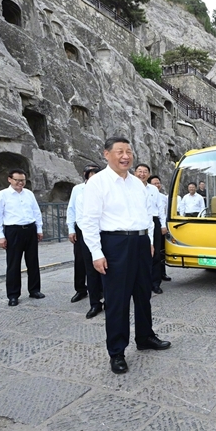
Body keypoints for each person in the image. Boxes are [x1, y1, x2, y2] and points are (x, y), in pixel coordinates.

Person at [80, 137, 171, 375]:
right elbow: (89, 220)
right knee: (117, 300)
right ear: (106, 154)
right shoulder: (98, 182)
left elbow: (147, 214)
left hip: (140, 242)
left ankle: (145, 336)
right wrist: (96, 253)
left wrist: (149, 241)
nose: (125, 156)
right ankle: (117, 352)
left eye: (129, 151)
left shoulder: (137, 184)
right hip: (115, 244)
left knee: (143, 294)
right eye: (120, 151)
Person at [0, 168, 44, 306]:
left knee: (33, 261)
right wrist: (0, 236)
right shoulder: (2, 195)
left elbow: (36, 212)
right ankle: (13, 295)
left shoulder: (29, 194)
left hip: (30, 229)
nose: (20, 183)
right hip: (13, 230)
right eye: (17, 180)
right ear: (10, 179)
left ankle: (34, 290)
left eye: (23, 180)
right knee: (13, 264)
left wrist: (39, 229)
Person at [66, 164, 104, 319]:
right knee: (89, 267)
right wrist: (73, 229)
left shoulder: (106, 191)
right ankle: (94, 302)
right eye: (90, 176)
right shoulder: (80, 193)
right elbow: (76, 214)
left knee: (109, 268)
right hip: (88, 233)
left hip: (107, 234)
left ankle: (108, 298)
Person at [135, 163, 164, 295]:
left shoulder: (153, 189)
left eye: (145, 171)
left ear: (149, 174)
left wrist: (163, 225)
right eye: (139, 171)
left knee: (155, 253)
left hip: (153, 220)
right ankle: (141, 282)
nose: (142, 174)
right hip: (137, 222)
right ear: (135, 173)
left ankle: (155, 283)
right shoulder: (130, 187)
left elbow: (160, 207)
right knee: (138, 254)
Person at [148, 175, 171, 282]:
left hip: (159, 222)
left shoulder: (163, 197)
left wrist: (163, 225)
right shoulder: (142, 192)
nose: (157, 185)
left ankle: (161, 274)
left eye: (158, 183)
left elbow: (163, 211)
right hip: (146, 221)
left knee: (160, 251)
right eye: (155, 183)